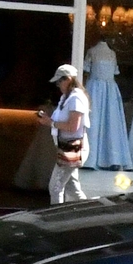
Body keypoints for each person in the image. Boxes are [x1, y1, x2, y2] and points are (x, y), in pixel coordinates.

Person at [44, 65, 91, 205]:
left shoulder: (76, 99)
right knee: (73, 189)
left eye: (60, 81)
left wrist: (51, 123)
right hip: (67, 147)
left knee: (55, 187)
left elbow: (72, 126)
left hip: (72, 148)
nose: (58, 85)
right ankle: (88, 212)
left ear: (69, 79)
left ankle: (56, 221)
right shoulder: (67, 98)